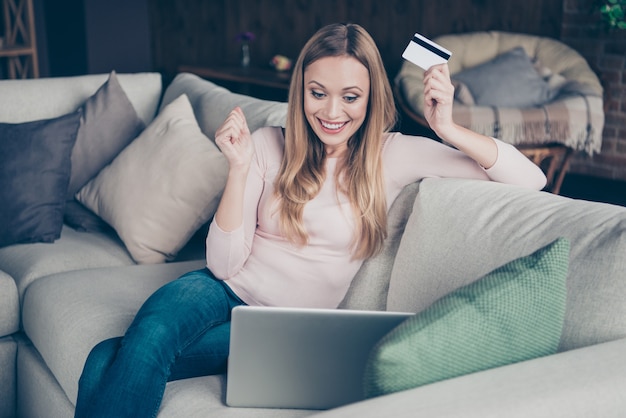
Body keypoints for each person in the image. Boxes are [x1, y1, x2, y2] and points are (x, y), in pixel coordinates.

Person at [74, 23, 546, 417]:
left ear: (371, 97)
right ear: (301, 91)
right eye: (317, 93)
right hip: (220, 287)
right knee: (151, 330)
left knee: (104, 359)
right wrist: (238, 171)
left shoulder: (392, 155)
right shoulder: (265, 143)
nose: (332, 112)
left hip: (280, 328)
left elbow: (530, 180)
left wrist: (447, 128)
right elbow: (222, 265)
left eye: (350, 97)